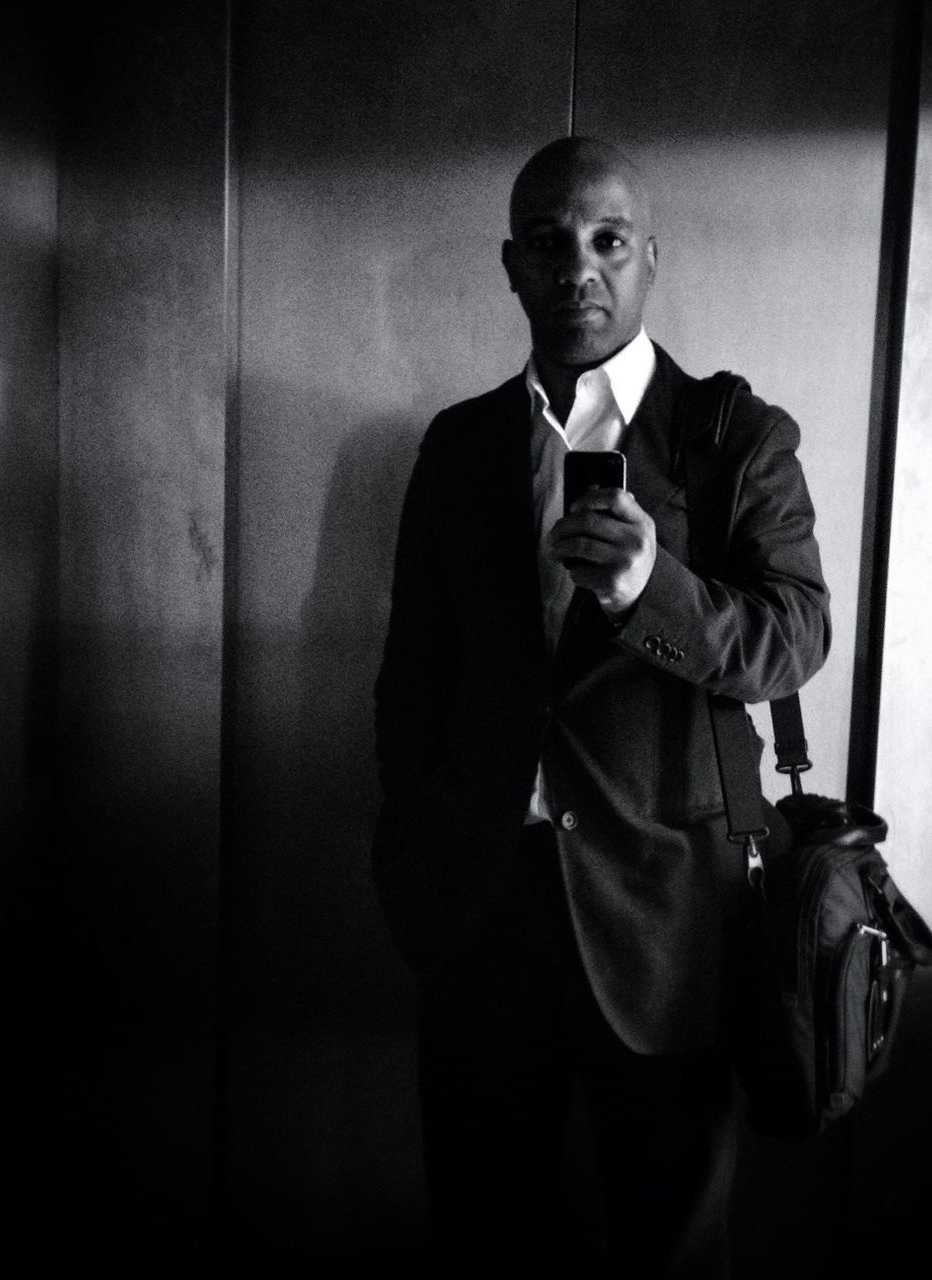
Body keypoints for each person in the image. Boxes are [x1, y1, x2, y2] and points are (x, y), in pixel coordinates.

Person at [373, 136, 829, 1277]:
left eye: (606, 240)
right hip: (481, 900)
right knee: (483, 1230)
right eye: (548, 242)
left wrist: (648, 590)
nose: (577, 265)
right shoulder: (461, 447)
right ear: (512, 267)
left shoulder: (731, 435)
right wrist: (410, 851)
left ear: (648, 259)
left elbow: (794, 635)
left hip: (668, 914)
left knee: (671, 1243)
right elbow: (411, 678)